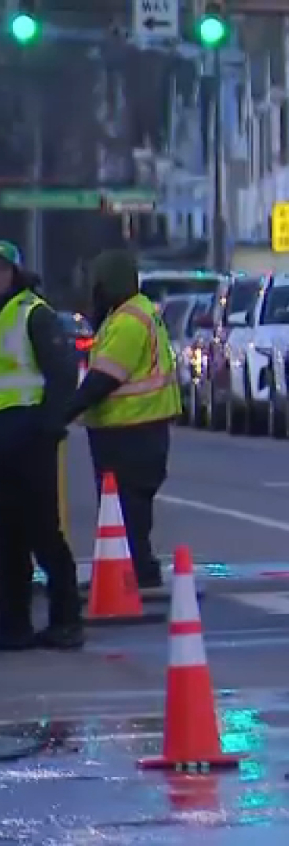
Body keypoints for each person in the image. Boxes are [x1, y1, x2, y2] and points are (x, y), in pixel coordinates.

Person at [67, 249, 181, 594]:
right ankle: (135, 569)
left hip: (130, 430)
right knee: (131, 510)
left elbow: (104, 378)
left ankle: (132, 573)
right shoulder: (135, 313)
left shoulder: (129, 321)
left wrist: (63, 413)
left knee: (126, 508)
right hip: (138, 428)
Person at [0, 241, 84, 650]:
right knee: (6, 539)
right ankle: (13, 626)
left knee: (43, 534)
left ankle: (66, 620)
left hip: (29, 439)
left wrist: (47, 427)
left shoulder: (33, 313)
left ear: (14, 273)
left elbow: (63, 374)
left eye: (1, 269)